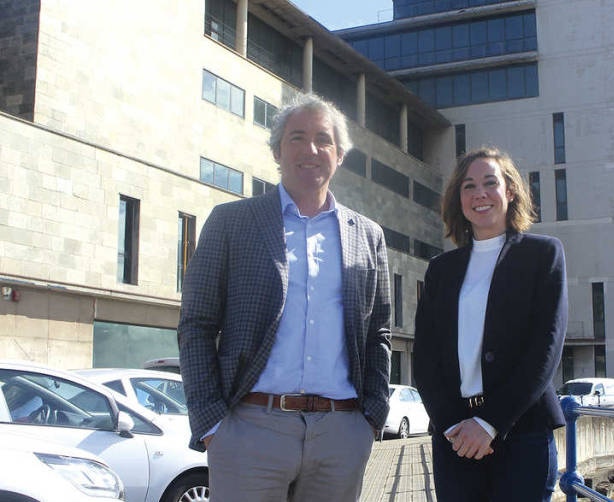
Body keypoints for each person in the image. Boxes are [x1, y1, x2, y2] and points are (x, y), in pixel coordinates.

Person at [178, 93, 391, 502]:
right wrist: (210, 422)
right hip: (250, 431)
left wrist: (372, 417)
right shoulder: (231, 222)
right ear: (277, 150)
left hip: (341, 433)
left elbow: (378, 330)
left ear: (340, 154)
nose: (310, 149)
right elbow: (197, 324)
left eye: (323, 139)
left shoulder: (368, 235)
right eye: (297, 137)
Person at [413, 147, 568, 502]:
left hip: (522, 431)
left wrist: (489, 423)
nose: (479, 194)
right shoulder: (441, 269)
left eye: (489, 183)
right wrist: (453, 424)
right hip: (455, 438)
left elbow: (545, 349)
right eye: (468, 186)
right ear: (459, 199)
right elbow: (425, 357)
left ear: (509, 191)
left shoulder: (543, 255)